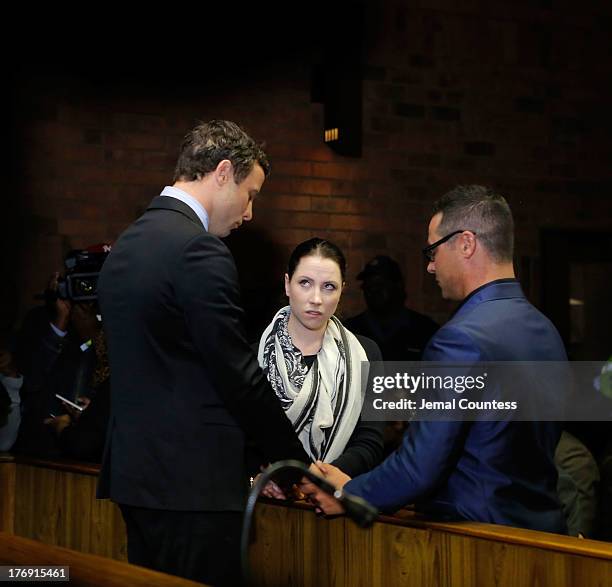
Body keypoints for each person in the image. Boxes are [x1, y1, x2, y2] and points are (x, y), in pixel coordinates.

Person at [96, 120, 309, 586]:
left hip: (138, 479)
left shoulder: (126, 246)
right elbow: (236, 375)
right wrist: (293, 465)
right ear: (223, 173)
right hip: (194, 485)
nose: (249, 213)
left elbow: (173, 369)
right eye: (251, 194)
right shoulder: (198, 250)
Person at [312, 185, 568, 534]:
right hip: (544, 537)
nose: (430, 266)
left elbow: (420, 467)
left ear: (465, 243)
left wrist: (348, 492)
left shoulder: (459, 339)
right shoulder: (547, 331)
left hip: (475, 542)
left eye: (432, 250)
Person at [255, 238, 384, 506]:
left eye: (329, 287)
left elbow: (371, 440)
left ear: (342, 291)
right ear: (287, 284)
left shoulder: (368, 353)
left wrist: (323, 479)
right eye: (305, 283)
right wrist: (258, 476)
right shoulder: (252, 354)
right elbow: (237, 436)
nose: (316, 299)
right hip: (266, 506)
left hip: (335, 501)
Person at [344, 255, 438, 361]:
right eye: (368, 286)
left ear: (398, 286)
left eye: (380, 285)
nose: (374, 291)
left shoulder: (424, 330)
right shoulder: (349, 331)